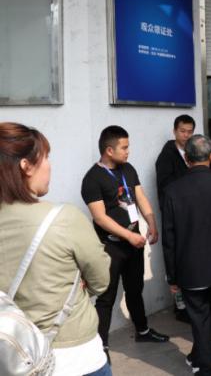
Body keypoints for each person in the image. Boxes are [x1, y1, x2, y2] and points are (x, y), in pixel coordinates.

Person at [0, 122, 111, 376]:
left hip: (12, 360)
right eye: (46, 157)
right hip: (74, 356)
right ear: (26, 166)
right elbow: (101, 279)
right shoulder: (64, 218)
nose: (49, 165)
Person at [81, 125, 169, 362]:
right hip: (110, 247)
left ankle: (143, 331)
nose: (128, 151)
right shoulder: (92, 179)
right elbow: (100, 218)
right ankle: (101, 347)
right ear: (109, 150)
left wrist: (151, 223)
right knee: (106, 298)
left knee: (134, 289)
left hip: (134, 243)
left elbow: (140, 197)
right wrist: (128, 236)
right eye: (124, 147)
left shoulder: (128, 169)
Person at [162, 135, 211, 375]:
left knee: (200, 318)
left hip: (191, 266)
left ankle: (207, 367)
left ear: (186, 158)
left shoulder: (173, 190)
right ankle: (199, 355)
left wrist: (171, 275)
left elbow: (169, 237)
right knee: (210, 315)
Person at [155, 114, 195, 323]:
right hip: (176, 214)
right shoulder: (167, 156)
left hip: (192, 214)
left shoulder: (194, 151)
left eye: (189, 132)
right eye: (182, 131)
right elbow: (165, 187)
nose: (186, 135)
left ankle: (190, 303)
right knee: (176, 259)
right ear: (174, 131)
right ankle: (181, 307)